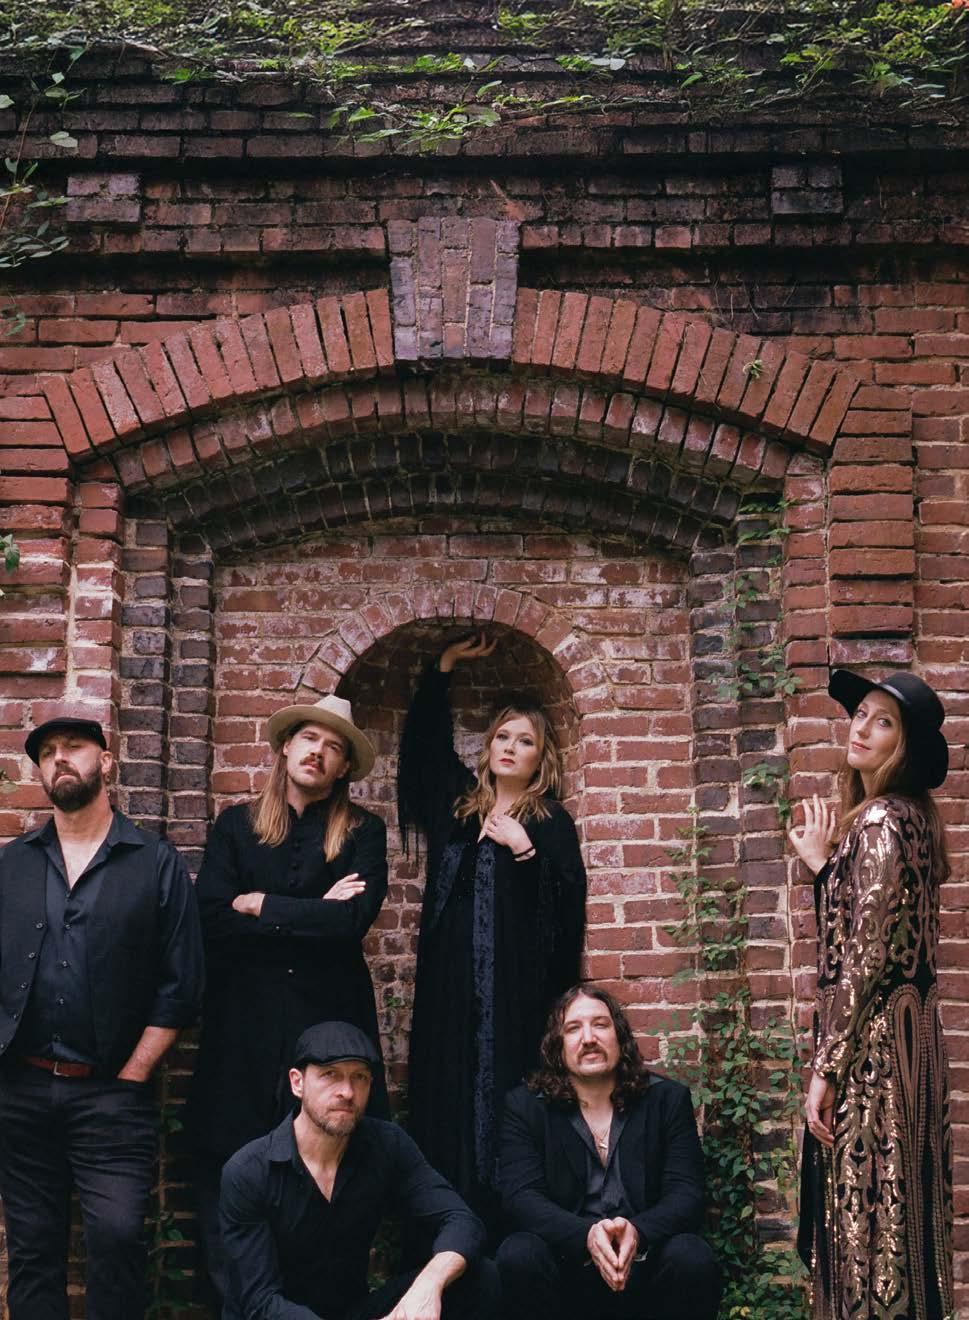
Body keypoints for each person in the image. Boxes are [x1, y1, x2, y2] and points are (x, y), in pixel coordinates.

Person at [0, 715, 204, 1320]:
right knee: (33, 1251)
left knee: (117, 1242)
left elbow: (182, 984)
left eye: (74, 747)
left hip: (112, 1093)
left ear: (106, 762)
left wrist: (135, 1072)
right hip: (20, 1091)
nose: (60, 758)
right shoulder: (12, 865)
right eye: (48, 752)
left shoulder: (155, 862)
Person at [189, 694, 390, 1307]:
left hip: (327, 1019)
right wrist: (312, 912)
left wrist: (264, 905)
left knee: (328, 1165)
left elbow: (350, 924)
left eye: (333, 747)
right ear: (285, 747)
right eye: (309, 739)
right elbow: (212, 922)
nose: (318, 752)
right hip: (243, 1026)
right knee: (230, 1164)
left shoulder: (363, 832)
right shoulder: (236, 827)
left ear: (344, 766)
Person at [397, 633, 587, 1226]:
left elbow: (567, 910)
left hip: (514, 993)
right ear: (488, 746)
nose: (510, 747)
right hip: (451, 987)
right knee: (449, 1091)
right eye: (503, 736)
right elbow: (424, 755)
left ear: (540, 758)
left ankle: (512, 1226)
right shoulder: (460, 807)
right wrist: (442, 669)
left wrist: (525, 850)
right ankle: (447, 1226)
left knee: (509, 1091)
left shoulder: (550, 823)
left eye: (525, 741)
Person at [789, 668, 954, 1320]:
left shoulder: (881, 821)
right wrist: (825, 868)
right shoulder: (912, 820)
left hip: (875, 1056)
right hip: (910, 1046)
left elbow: (862, 958)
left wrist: (826, 1068)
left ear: (902, 746)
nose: (861, 727)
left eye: (882, 721)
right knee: (904, 1218)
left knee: (870, 1224)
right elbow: (875, 927)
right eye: (860, 713)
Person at [220, 1020, 499, 1320]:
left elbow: (461, 1220)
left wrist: (428, 1285)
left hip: (353, 1312)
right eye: (330, 1075)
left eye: (359, 1077)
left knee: (478, 1277)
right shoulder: (249, 1172)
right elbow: (260, 1302)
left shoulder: (386, 1145)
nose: (347, 1091)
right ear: (297, 1083)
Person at [496, 983, 722, 1320]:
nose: (588, 1038)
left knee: (692, 1255)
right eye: (574, 1028)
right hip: (566, 1268)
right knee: (519, 1253)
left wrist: (639, 1232)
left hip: (645, 1266)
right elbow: (521, 1198)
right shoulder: (526, 1107)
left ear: (620, 1037)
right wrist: (586, 1235)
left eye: (600, 1025)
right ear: (557, 1045)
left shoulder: (667, 1100)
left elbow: (687, 1193)